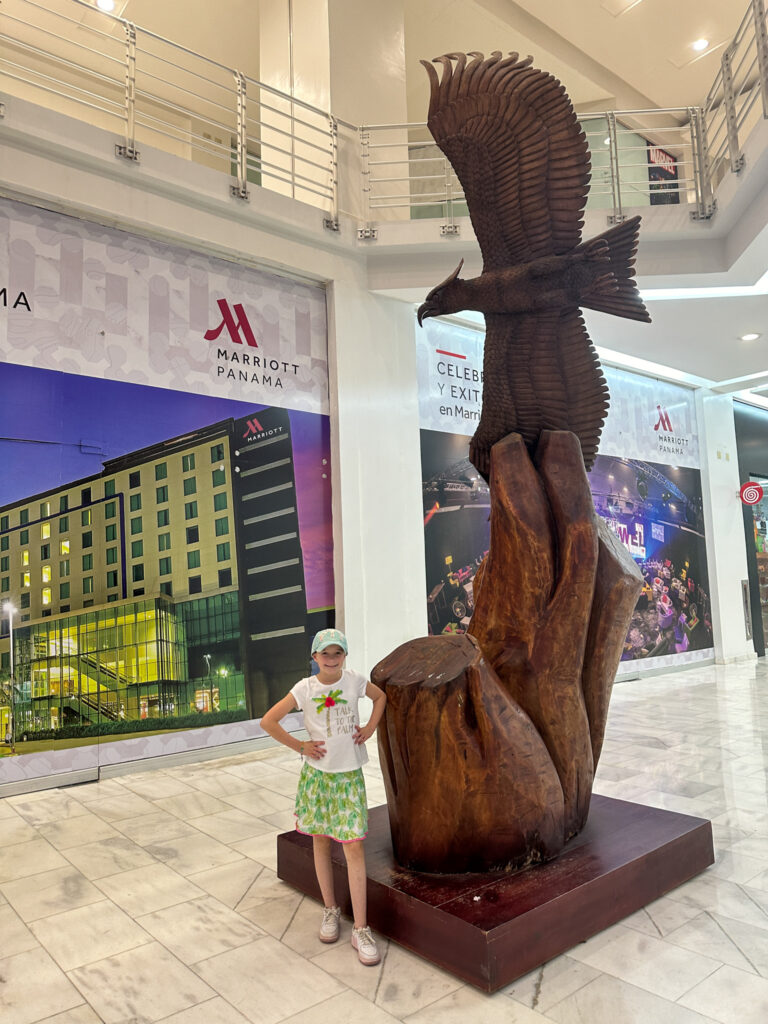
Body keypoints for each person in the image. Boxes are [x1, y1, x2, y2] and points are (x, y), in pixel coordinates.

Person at [260, 627, 387, 966]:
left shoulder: (355, 681)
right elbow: (268, 721)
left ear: (345, 656)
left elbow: (381, 697)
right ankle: (330, 910)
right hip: (317, 778)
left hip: (348, 778)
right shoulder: (304, 688)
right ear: (314, 657)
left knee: (353, 846)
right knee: (319, 840)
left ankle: (361, 928)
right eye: (325, 653)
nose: (332, 659)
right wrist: (300, 745)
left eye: (338, 653)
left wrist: (371, 727)